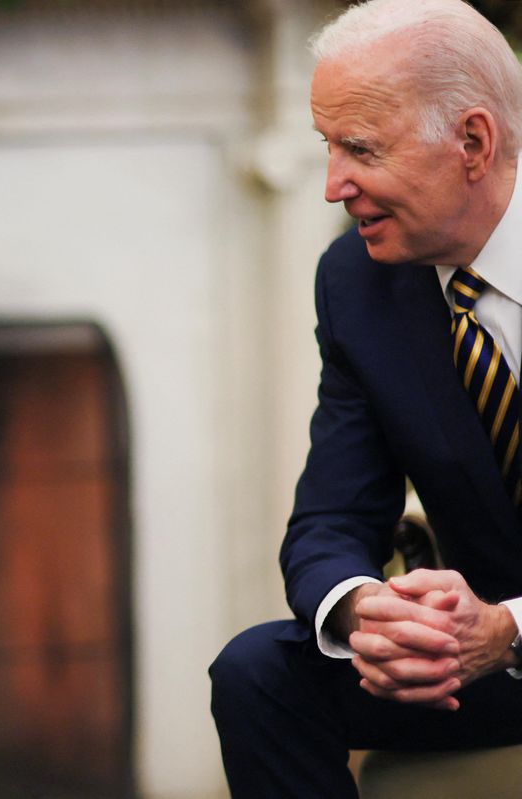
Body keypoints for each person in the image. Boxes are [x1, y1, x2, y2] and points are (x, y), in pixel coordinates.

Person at [209, 1, 522, 796]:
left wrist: (508, 626)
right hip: (472, 666)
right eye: (326, 146)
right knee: (256, 672)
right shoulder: (357, 281)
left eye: (360, 149)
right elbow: (329, 521)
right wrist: (369, 614)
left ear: (473, 144)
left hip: (504, 637)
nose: (331, 186)